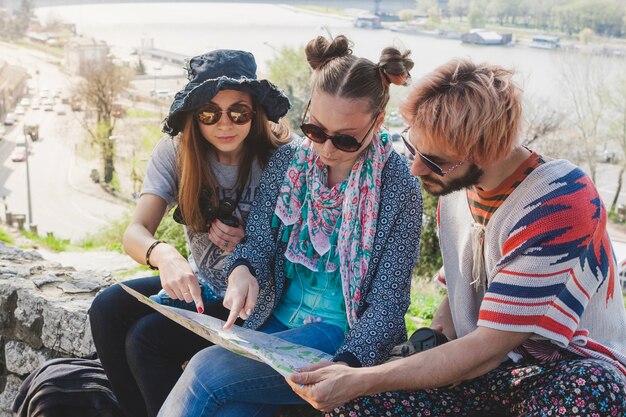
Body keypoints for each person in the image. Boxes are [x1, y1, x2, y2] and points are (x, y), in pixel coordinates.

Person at [287, 59, 626, 417]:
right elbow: (460, 292)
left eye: (433, 161)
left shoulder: (560, 201)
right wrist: (426, 342)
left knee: (589, 386)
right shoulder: (454, 189)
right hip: (486, 376)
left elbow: (488, 348)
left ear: (487, 152)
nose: (416, 168)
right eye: (414, 149)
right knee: (354, 404)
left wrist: (364, 378)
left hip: (559, 372)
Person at [157, 34, 422, 417]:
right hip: (273, 319)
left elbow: (389, 303)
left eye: (345, 139)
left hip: (340, 337)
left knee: (206, 369)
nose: (326, 149)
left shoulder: (399, 187)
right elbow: (258, 244)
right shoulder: (289, 161)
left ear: (378, 121)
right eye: (315, 130)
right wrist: (243, 272)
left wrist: (346, 365)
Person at [88, 49, 291, 417]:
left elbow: (307, 246)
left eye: (239, 113)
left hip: (258, 298)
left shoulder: (281, 158)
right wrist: (163, 254)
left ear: (257, 112)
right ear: (194, 116)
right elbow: (135, 231)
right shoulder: (176, 152)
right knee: (106, 308)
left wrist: (252, 242)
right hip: (205, 283)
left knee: (147, 339)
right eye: (209, 113)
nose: (224, 124)